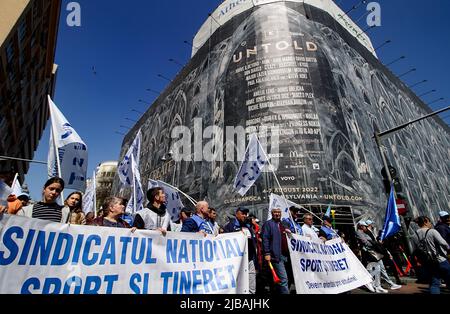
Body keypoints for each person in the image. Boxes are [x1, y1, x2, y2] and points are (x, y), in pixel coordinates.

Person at [223, 208, 258, 294]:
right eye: (243, 213)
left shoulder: (248, 226)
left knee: (251, 285)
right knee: (238, 284)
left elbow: (253, 242)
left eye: (246, 214)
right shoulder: (230, 226)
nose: (245, 216)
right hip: (237, 261)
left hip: (249, 260)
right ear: (237, 214)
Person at [412, 216, 450, 294]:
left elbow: (415, 250)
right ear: (426, 222)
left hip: (428, 263)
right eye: (430, 222)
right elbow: (443, 243)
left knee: (434, 284)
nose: (430, 224)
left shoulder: (414, 235)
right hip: (440, 260)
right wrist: (448, 248)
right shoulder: (432, 231)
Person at [262, 208, 290, 294]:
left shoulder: (283, 224)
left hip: (286, 255)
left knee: (282, 280)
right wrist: (267, 252)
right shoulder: (268, 224)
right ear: (272, 213)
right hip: (276, 256)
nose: (277, 214)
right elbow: (265, 239)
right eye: (275, 212)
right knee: (284, 279)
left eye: (279, 212)